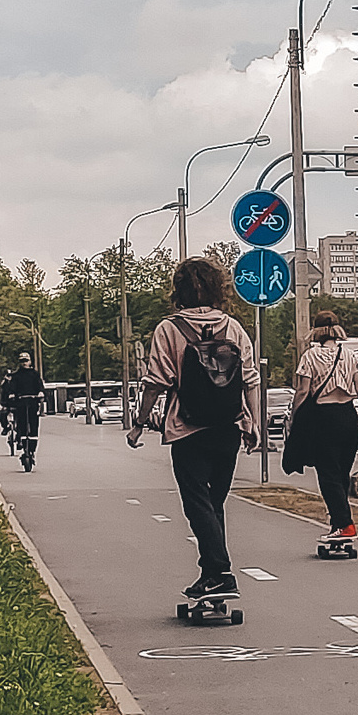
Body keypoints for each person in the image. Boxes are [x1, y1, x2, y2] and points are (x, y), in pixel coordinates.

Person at [127, 257, 260, 603]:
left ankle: (220, 572)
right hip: (228, 428)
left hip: (187, 429)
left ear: (178, 290)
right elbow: (250, 380)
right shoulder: (234, 328)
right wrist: (253, 424)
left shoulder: (169, 329)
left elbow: (156, 382)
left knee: (197, 502)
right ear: (218, 288)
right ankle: (211, 572)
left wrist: (139, 424)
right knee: (214, 503)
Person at [284, 309, 358, 542]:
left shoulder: (310, 357)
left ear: (316, 330)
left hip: (324, 419)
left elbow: (303, 391)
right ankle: (337, 520)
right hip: (349, 417)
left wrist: (293, 416)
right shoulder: (350, 355)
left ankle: (344, 525)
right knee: (342, 473)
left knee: (328, 474)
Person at [3, 351, 45, 461]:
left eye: (26, 361)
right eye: (22, 361)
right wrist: (12, 394)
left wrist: (40, 392)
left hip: (32, 402)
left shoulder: (34, 374)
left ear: (30, 362)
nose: (24, 363)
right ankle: (22, 443)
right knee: (22, 423)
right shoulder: (16, 376)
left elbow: (39, 385)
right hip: (21, 402)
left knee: (33, 424)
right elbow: (12, 387)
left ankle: (32, 448)